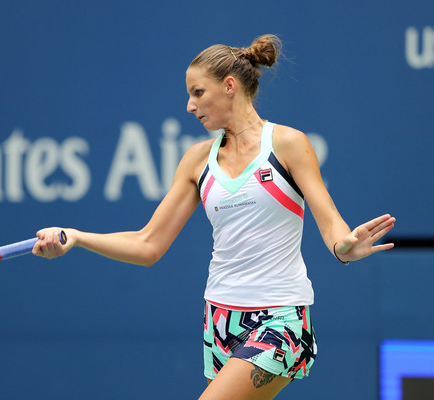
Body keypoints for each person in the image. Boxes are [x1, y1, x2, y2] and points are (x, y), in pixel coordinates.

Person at [32, 34, 396, 400]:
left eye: (198, 92)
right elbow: (148, 244)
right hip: (219, 319)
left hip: (280, 319)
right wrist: (76, 236)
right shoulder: (196, 160)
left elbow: (328, 217)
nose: (189, 106)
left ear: (229, 86)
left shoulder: (287, 143)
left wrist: (342, 247)